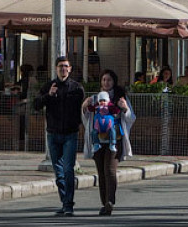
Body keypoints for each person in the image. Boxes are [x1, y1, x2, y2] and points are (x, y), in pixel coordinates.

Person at [33, 56, 85, 216]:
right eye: (60, 66)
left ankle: (69, 204)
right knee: (58, 171)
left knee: (68, 169)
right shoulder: (49, 86)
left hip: (70, 133)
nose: (63, 69)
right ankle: (64, 201)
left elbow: (82, 110)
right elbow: (36, 105)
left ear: (70, 69)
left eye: (66, 66)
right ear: (56, 69)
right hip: (53, 133)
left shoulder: (77, 88)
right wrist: (49, 95)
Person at [82, 70, 135, 216]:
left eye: (109, 80)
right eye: (104, 80)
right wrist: (84, 107)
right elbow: (86, 119)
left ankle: (110, 201)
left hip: (114, 140)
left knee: (110, 170)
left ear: (114, 82)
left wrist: (125, 109)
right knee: (101, 171)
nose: (106, 83)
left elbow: (131, 118)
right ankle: (104, 203)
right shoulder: (94, 99)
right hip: (98, 140)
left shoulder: (119, 98)